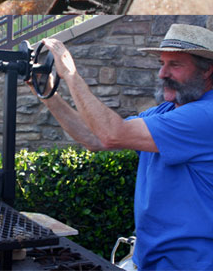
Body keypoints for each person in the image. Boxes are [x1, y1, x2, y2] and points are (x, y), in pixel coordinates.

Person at [32, 23, 213, 271]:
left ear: (207, 71)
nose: (162, 73)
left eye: (175, 64)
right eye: (162, 63)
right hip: (149, 261)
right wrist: (48, 95)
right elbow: (94, 139)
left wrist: (71, 75)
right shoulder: (166, 111)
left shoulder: (205, 115)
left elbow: (111, 134)